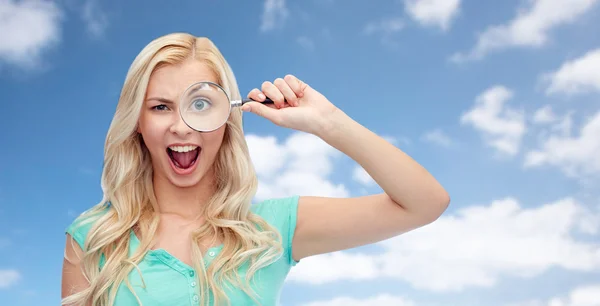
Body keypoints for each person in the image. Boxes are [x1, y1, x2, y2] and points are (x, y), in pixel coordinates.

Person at [61, 32, 450, 306]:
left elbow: (424, 203)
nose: (181, 125)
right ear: (138, 122)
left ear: (226, 117)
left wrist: (329, 122)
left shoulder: (272, 229)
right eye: (161, 107)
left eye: (199, 104)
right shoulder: (93, 237)